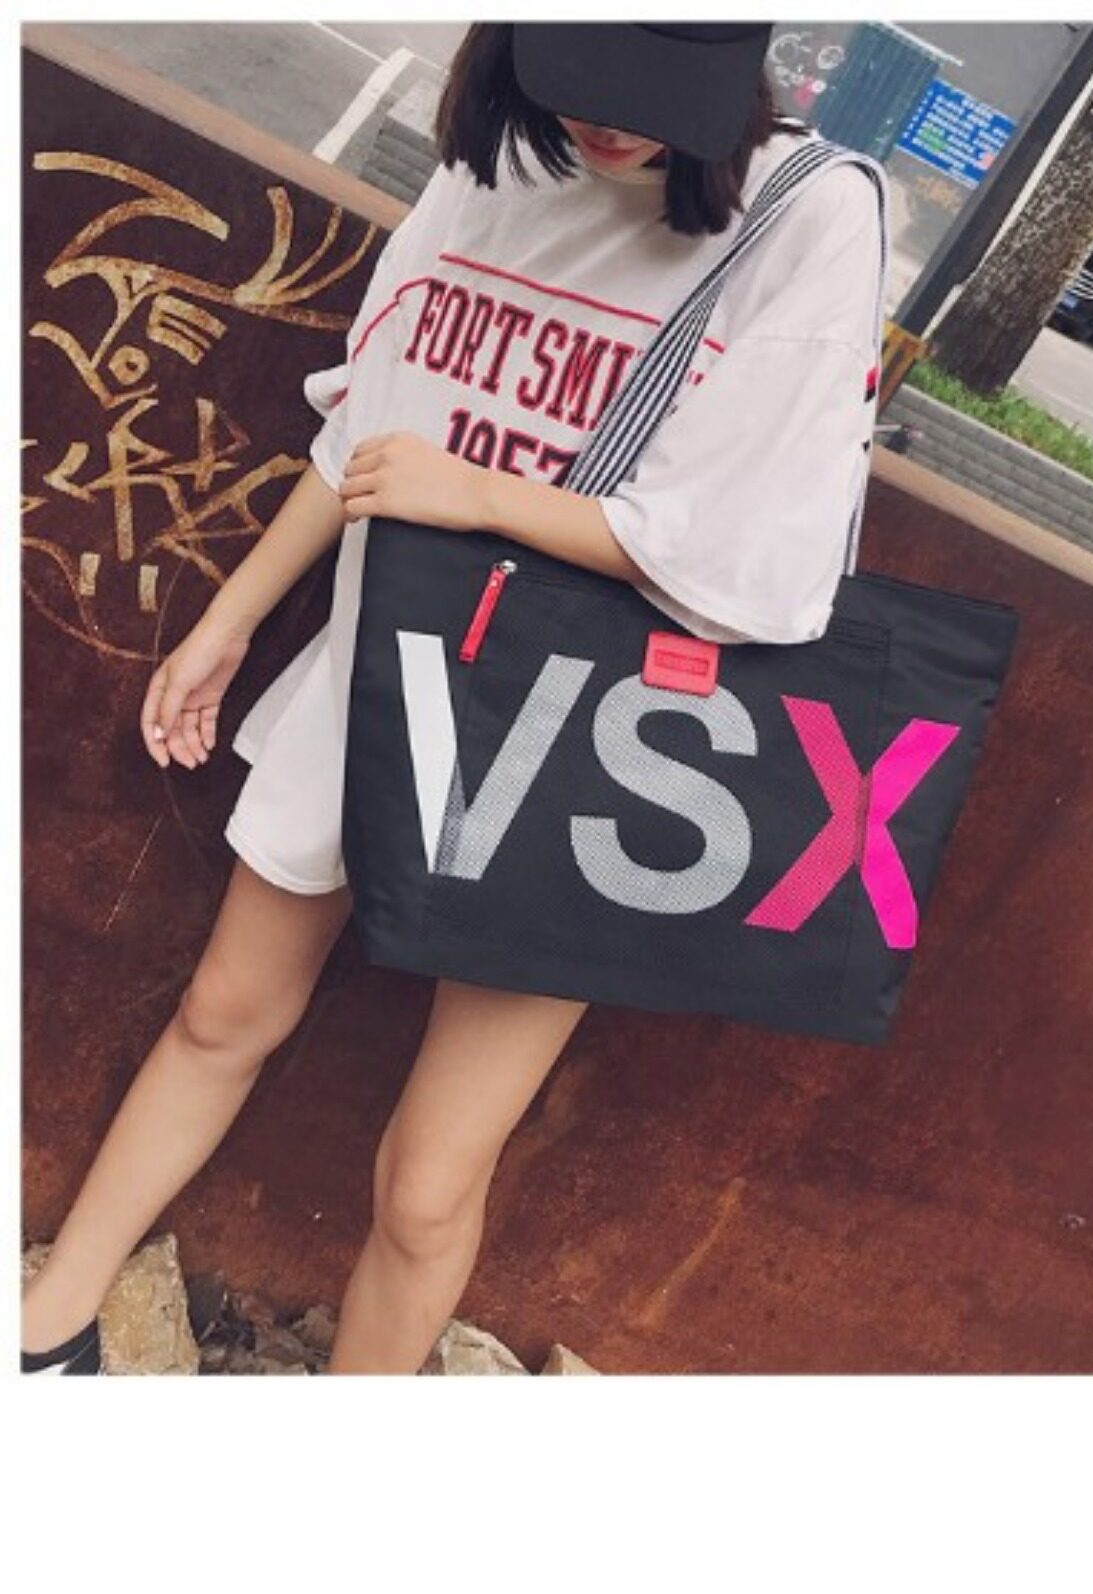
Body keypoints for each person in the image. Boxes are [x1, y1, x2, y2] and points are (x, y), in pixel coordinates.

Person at [21, 22, 885, 1374]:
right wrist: (231, 622)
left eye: (656, 96)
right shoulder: (497, 161)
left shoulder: (807, 213)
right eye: (584, 80)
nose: (614, 125)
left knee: (427, 1179)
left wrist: (482, 494)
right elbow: (369, 427)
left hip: (577, 737)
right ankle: (47, 1327)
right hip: (385, 663)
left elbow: (752, 564)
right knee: (220, 1014)